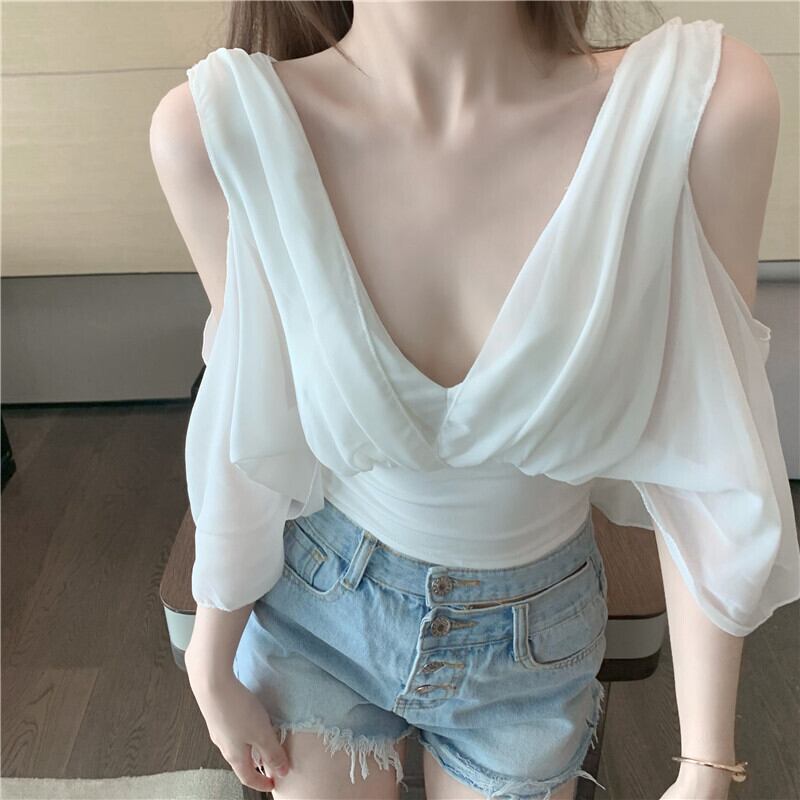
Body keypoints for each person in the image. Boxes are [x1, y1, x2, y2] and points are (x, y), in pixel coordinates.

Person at [149, 3, 799, 799]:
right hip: (321, 609)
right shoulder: (218, 131)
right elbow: (251, 428)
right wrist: (211, 660)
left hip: (530, 641)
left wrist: (707, 763)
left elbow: (709, 460)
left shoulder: (699, 109)